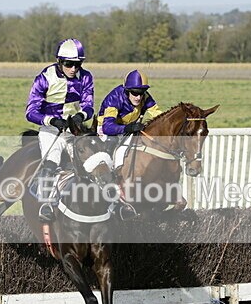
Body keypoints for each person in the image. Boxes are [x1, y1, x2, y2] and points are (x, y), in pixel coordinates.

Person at [25, 38, 95, 221]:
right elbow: (31, 111)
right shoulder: (44, 78)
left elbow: (89, 105)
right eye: (69, 64)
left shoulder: (86, 77)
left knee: (92, 161)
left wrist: (81, 116)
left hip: (74, 131)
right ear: (60, 61)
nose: (73, 68)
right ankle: (45, 205)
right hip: (51, 131)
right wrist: (52, 120)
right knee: (52, 160)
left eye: (78, 64)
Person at [97, 69, 163, 167]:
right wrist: (127, 128)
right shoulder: (114, 98)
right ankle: (108, 168)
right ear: (127, 91)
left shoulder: (145, 97)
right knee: (112, 141)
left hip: (129, 127)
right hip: (106, 130)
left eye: (141, 93)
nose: (138, 97)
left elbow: (159, 116)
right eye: (135, 93)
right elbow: (107, 127)